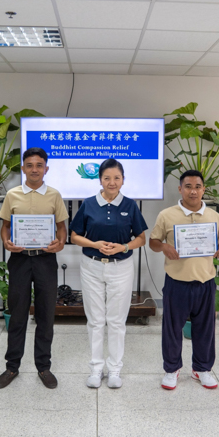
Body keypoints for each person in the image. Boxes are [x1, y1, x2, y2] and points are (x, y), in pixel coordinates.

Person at [69, 159, 148, 389]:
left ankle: (114, 370)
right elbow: (75, 236)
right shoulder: (89, 204)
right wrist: (94, 243)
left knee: (116, 320)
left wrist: (123, 247)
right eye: (107, 178)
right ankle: (95, 369)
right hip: (92, 265)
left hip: (121, 267)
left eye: (117, 178)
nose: (112, 183)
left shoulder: (131, 205)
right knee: (95, 320)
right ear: (99, 180)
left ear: (123, 180)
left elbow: (141, 238)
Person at [0, 148, 69, 390]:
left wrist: (60, 242)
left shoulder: (54, 195)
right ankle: (12, 366)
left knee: (46, 314)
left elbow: (61, 228)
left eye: (39, 165)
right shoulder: (12, 195)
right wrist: (6, 242)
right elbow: (5, 227)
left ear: (46, 169)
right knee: (17, 314)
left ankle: (43, 366)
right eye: (30, 165)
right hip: (20, 260)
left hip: (45, 259)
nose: (34, 169)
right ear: (23, 169)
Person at [150, 170, 219, 390]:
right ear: (180, 189)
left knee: (205, 328)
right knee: (172, 328)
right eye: (188, 186)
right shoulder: (167, 215)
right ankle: (171, 369)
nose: (193, 191)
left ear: (204, 189)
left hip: (205, 282)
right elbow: (153, 242)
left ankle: (202, 369)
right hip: (177, 282)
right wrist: (164, 246)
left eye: (197, 186)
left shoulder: (214, 217)